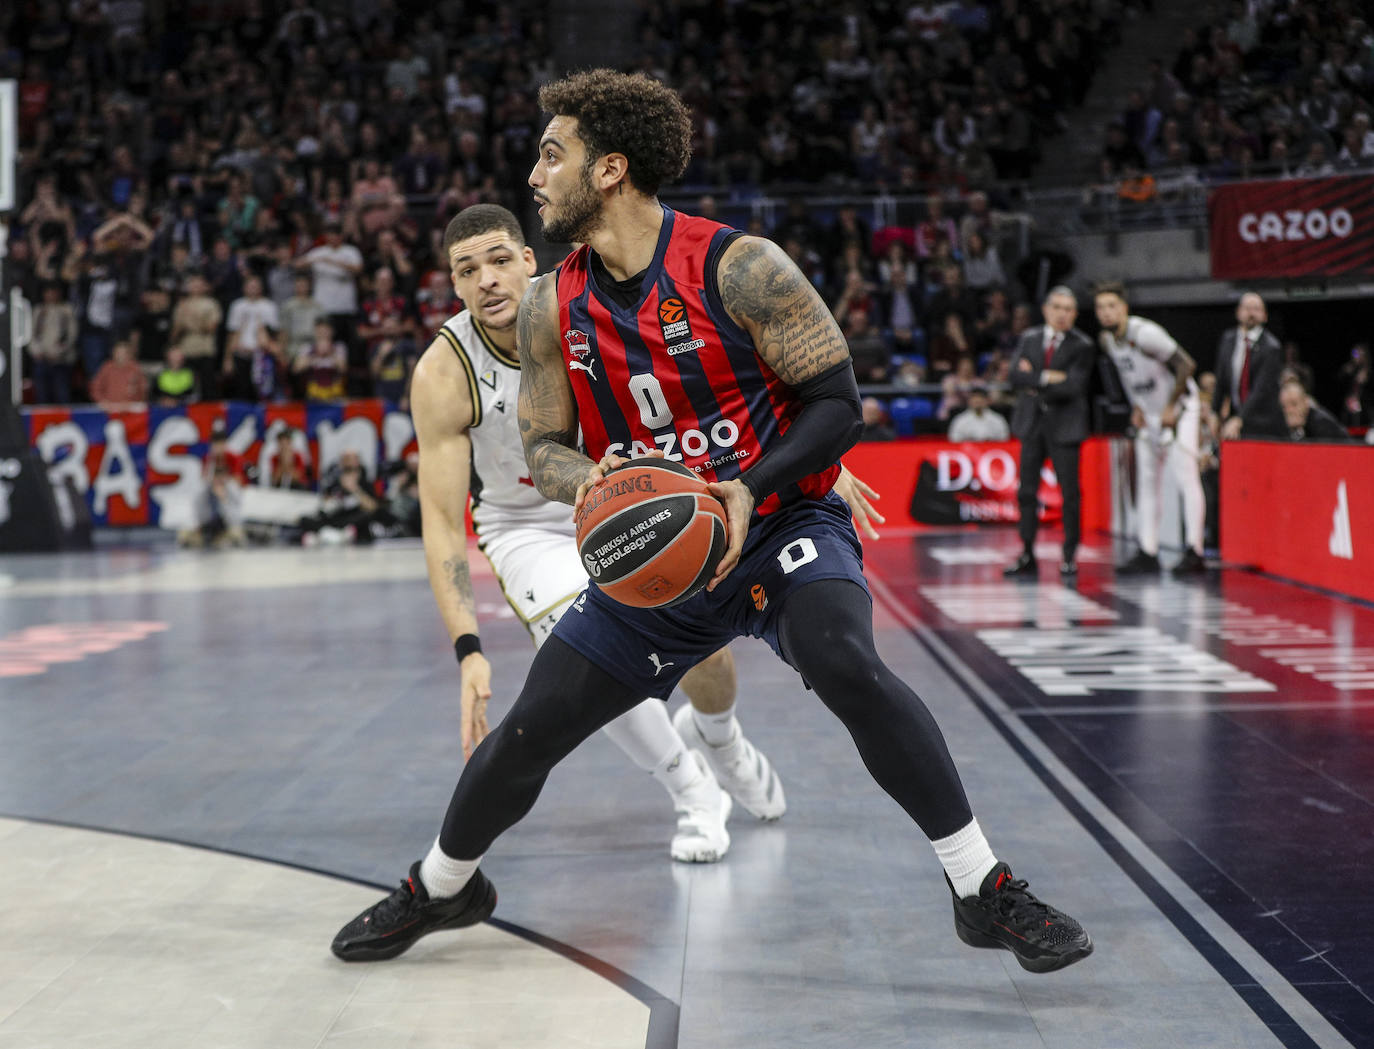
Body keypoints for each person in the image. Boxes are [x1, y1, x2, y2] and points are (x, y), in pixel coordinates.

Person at [332, 70, 1090, 975]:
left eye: (551, 155)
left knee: (844, 659)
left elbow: (838, 405)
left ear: (609, 169)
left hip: (777, 521)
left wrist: (745, 484)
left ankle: (980, 886)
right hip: (657, 552)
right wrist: (591, 478)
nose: (534, 176)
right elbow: (543, 444)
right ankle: (445, 882)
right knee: (531, 730)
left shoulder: (741, 265)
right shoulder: (550, 304)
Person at [402, 204, 795, 865]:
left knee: (704, 652)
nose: (487, 280)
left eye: (500, 260)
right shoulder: (443, 372)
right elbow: (442, 519)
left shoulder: (586, 310)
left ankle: (719, 735)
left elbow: (715, 381)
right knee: (584, 645)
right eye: (467, 271)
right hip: (527, 523)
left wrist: (808, 461)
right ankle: (694, 789)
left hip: (628, 496)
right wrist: (468, 647)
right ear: (453, 284)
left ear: (531, 261)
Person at [1093, 283, 1207, 576]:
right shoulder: (1108, 341)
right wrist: (1138, 406)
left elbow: (1186, 364)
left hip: (1180, 408)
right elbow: (1128, 376)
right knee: (1147, 481)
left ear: (1124, 308)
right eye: (1100, 307)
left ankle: (1195, 550)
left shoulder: (1144, 334)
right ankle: (1148, 550)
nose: (1106, 313)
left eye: (1111, 306)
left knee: (1185, 476)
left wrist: (1170, 407)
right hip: (1151, 413)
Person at [1003, 286, 1094, 578]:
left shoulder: (1083, 344)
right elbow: (1015, 376)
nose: (1062, 314)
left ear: (1075, 314)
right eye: (1057, 307)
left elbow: (1073, 386)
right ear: (1046, 309)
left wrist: (1035, 378)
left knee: (1070, 493)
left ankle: (1069, 555)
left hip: (1066, 426)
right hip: (1032, 423)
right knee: (1026, 491)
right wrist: (1048, 377)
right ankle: (1027, 552)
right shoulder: (1029, 338)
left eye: (1068, 309)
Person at [1213, 292, 1283, 440]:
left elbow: (1260, 389)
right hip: (1234, 419)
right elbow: (1221, 381)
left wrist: (1240, 419)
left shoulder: (1271, 347)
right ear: (1238, 313)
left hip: (1262, 423)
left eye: (1256, 309)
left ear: (1265, 315)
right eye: (1247, 308)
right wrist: (1214, 413)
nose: (1251, 313)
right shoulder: (1228, 339)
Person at [1278, 376, 1351, 442]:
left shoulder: (1323, 426)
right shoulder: (1280, 426)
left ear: (1306, 403)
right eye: (1284, 407)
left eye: (1294, 404)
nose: (1289, 410)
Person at [88, 338, 148, 405]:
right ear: (113, 353)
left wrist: (136, 397)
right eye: (118, 352)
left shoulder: (135, 368)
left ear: (129, 354)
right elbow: (95, 387)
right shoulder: (107, 367)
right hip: (109, 407)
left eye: (123, 353)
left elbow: (143, 390)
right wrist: (102, 401)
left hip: (130, 408)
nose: (120, 356)